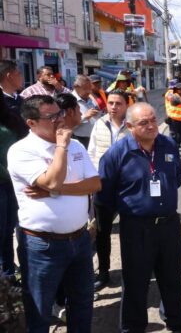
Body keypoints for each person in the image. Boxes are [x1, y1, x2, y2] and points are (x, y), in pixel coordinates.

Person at [96, 103, 181, 332]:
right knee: (136, 281)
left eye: (153, 120)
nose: (152, 126)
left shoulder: (168, 144)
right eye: (144, 122)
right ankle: (133, 328)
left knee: (172, 276)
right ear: (130, 126)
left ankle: (176, 320)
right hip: (136, 228)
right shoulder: (117, 153)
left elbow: (176, 179)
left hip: (169, 224)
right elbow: (104, 193)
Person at [7, 95, 101, 332]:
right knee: (39, 309)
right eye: (51, 117)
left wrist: (55, 191)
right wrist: (61, 147)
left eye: (60, 113)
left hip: (79, 239)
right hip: (42, 245)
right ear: (31, 123)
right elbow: (52, 180)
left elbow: (94, 184)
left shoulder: (76, 146)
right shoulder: (21, 150)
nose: (60, 119)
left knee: (82, 303)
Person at [87, 90, 130, 291]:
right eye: (111, 103)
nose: (113, 107)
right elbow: (92, 152)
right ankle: (103, 272)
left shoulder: (132, 125)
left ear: (126, 105)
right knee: (102, 232)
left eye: (118, 103)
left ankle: (133, 269)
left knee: (131, 231)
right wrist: (93, 178)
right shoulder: (99, 124)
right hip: (103, 185)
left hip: (128, 187)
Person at [0, 96, 21, 279]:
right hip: (5, 181)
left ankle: (9, 275)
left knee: (8, 231)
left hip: (12, 183)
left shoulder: (10, 118)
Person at [71, 75, 101, 148]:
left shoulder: (90, 98)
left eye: (90, 88)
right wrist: (85, 117)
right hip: (79, 139)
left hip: (93, 138)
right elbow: (68, 125)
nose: (89, 91)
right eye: (85, 88)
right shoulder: (70, 101)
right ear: (76, 87)